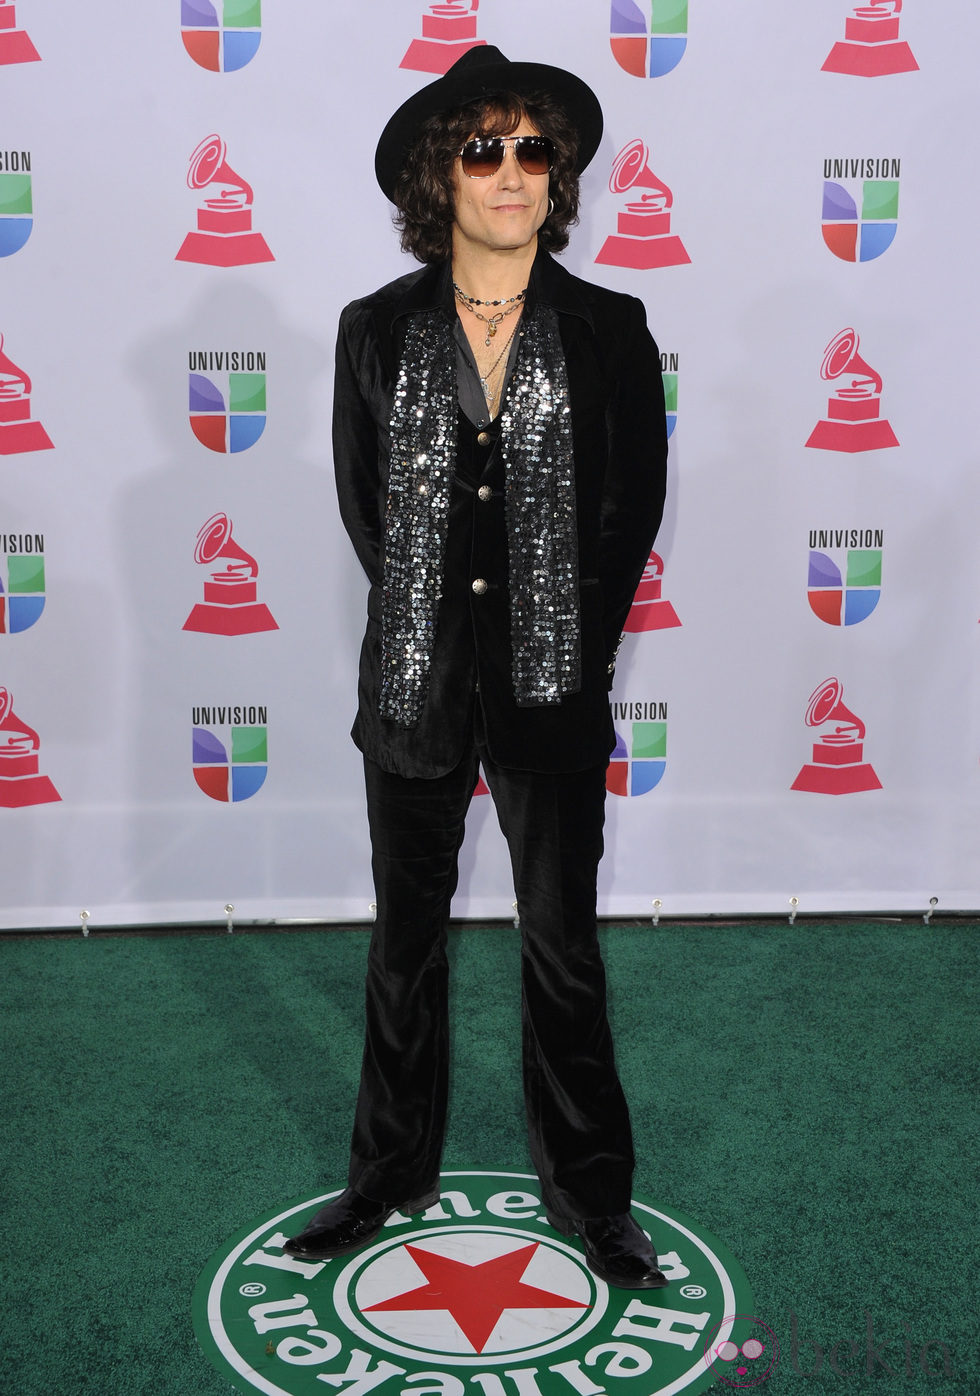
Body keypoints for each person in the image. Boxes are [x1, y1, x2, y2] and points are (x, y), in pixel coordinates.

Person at [285, 46, 669, 1289]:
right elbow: (367, 516)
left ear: (558, 177)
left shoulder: (611, 328)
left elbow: (626, 520)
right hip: (410, 690)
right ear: (436, 176)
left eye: (532, 150)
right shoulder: (372, 330)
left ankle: (594, 1197)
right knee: (405, 947)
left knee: (561, 947)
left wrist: (564, 654)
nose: (511, 174)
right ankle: (387, 1174)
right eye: (482, 149)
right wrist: (431, 638)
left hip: (552, 697)